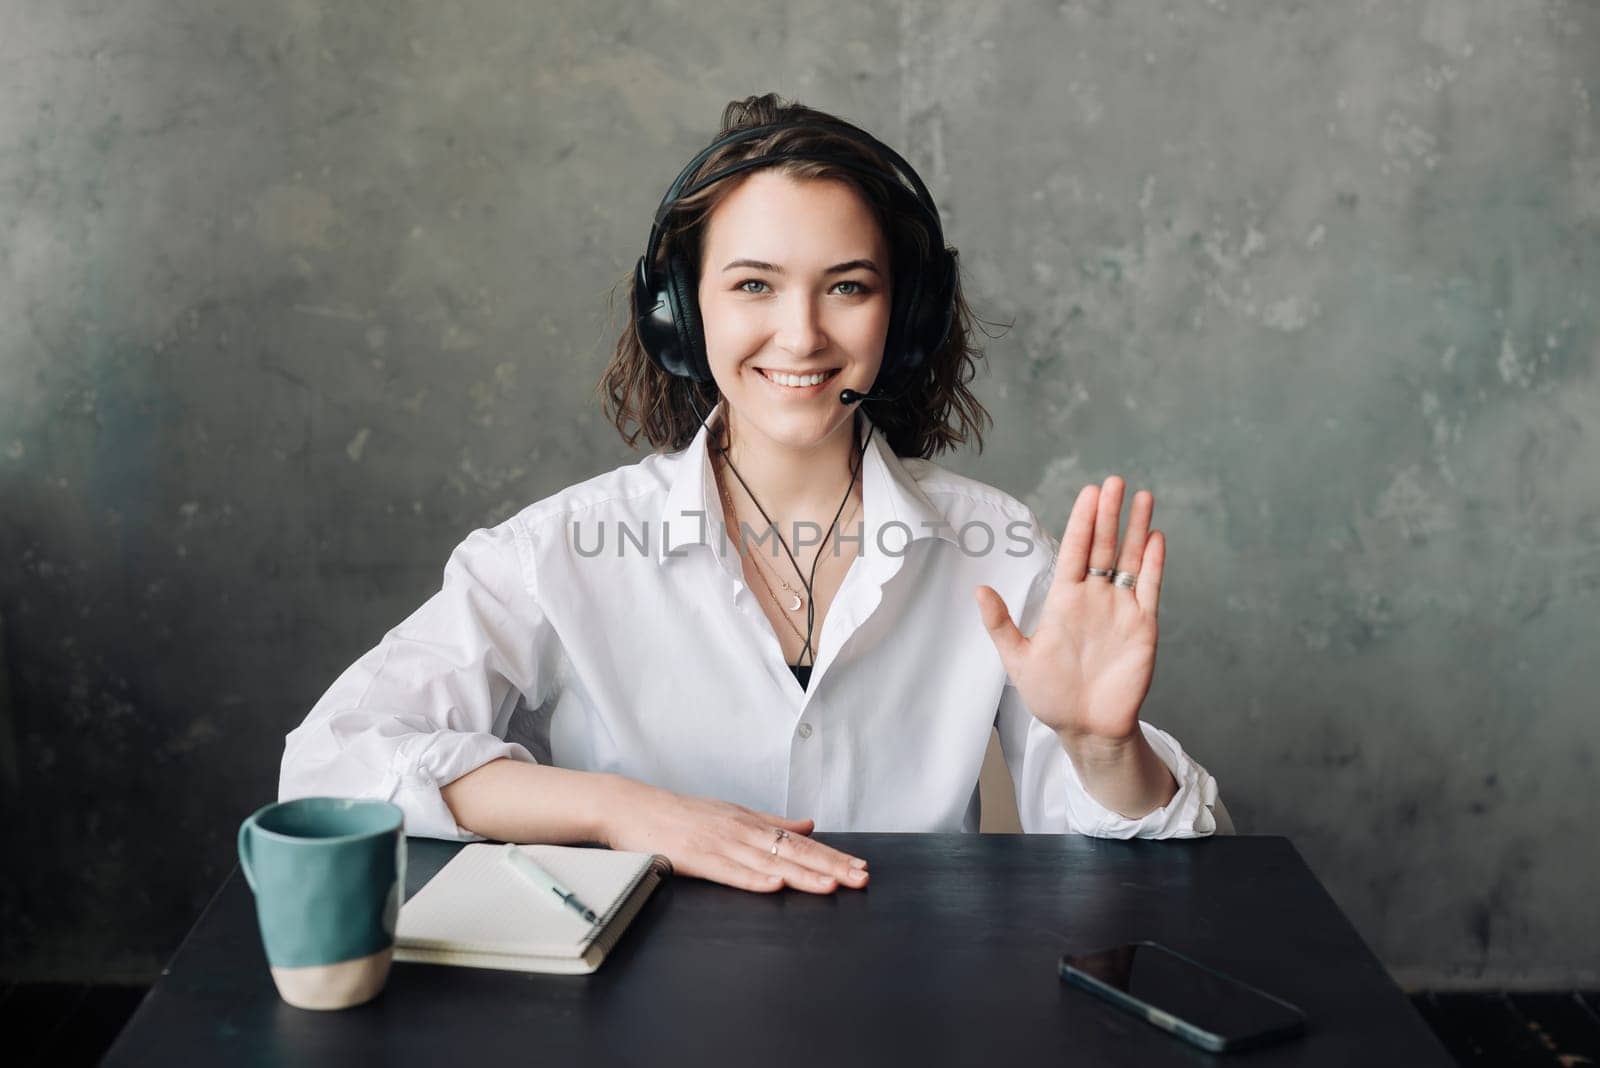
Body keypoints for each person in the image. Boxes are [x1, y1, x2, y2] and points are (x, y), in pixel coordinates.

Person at [279, 93, 1229, 898]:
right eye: (753, 285)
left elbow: (1164, 862)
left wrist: (1102, 747)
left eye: (848, 287)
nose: (802, 334)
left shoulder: (993, 543)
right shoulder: (558, 548)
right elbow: (336, 762)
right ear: (681, 313)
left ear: (905, 318)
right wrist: (624, 812)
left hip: (910, 1012)